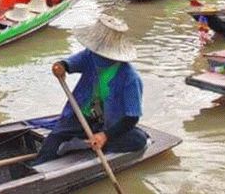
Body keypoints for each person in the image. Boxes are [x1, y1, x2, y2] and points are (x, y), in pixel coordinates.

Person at [32, 15, 147, 164]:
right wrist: (61, 66)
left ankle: (84, 145)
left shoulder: (130, 78)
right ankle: (71, 147)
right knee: (54, 139)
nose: (98, 57)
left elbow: (132, 117)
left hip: (110, 125)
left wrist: (104, 136)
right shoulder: (90, 56)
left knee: (138, 140)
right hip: (83, 116)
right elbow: (72, 63)